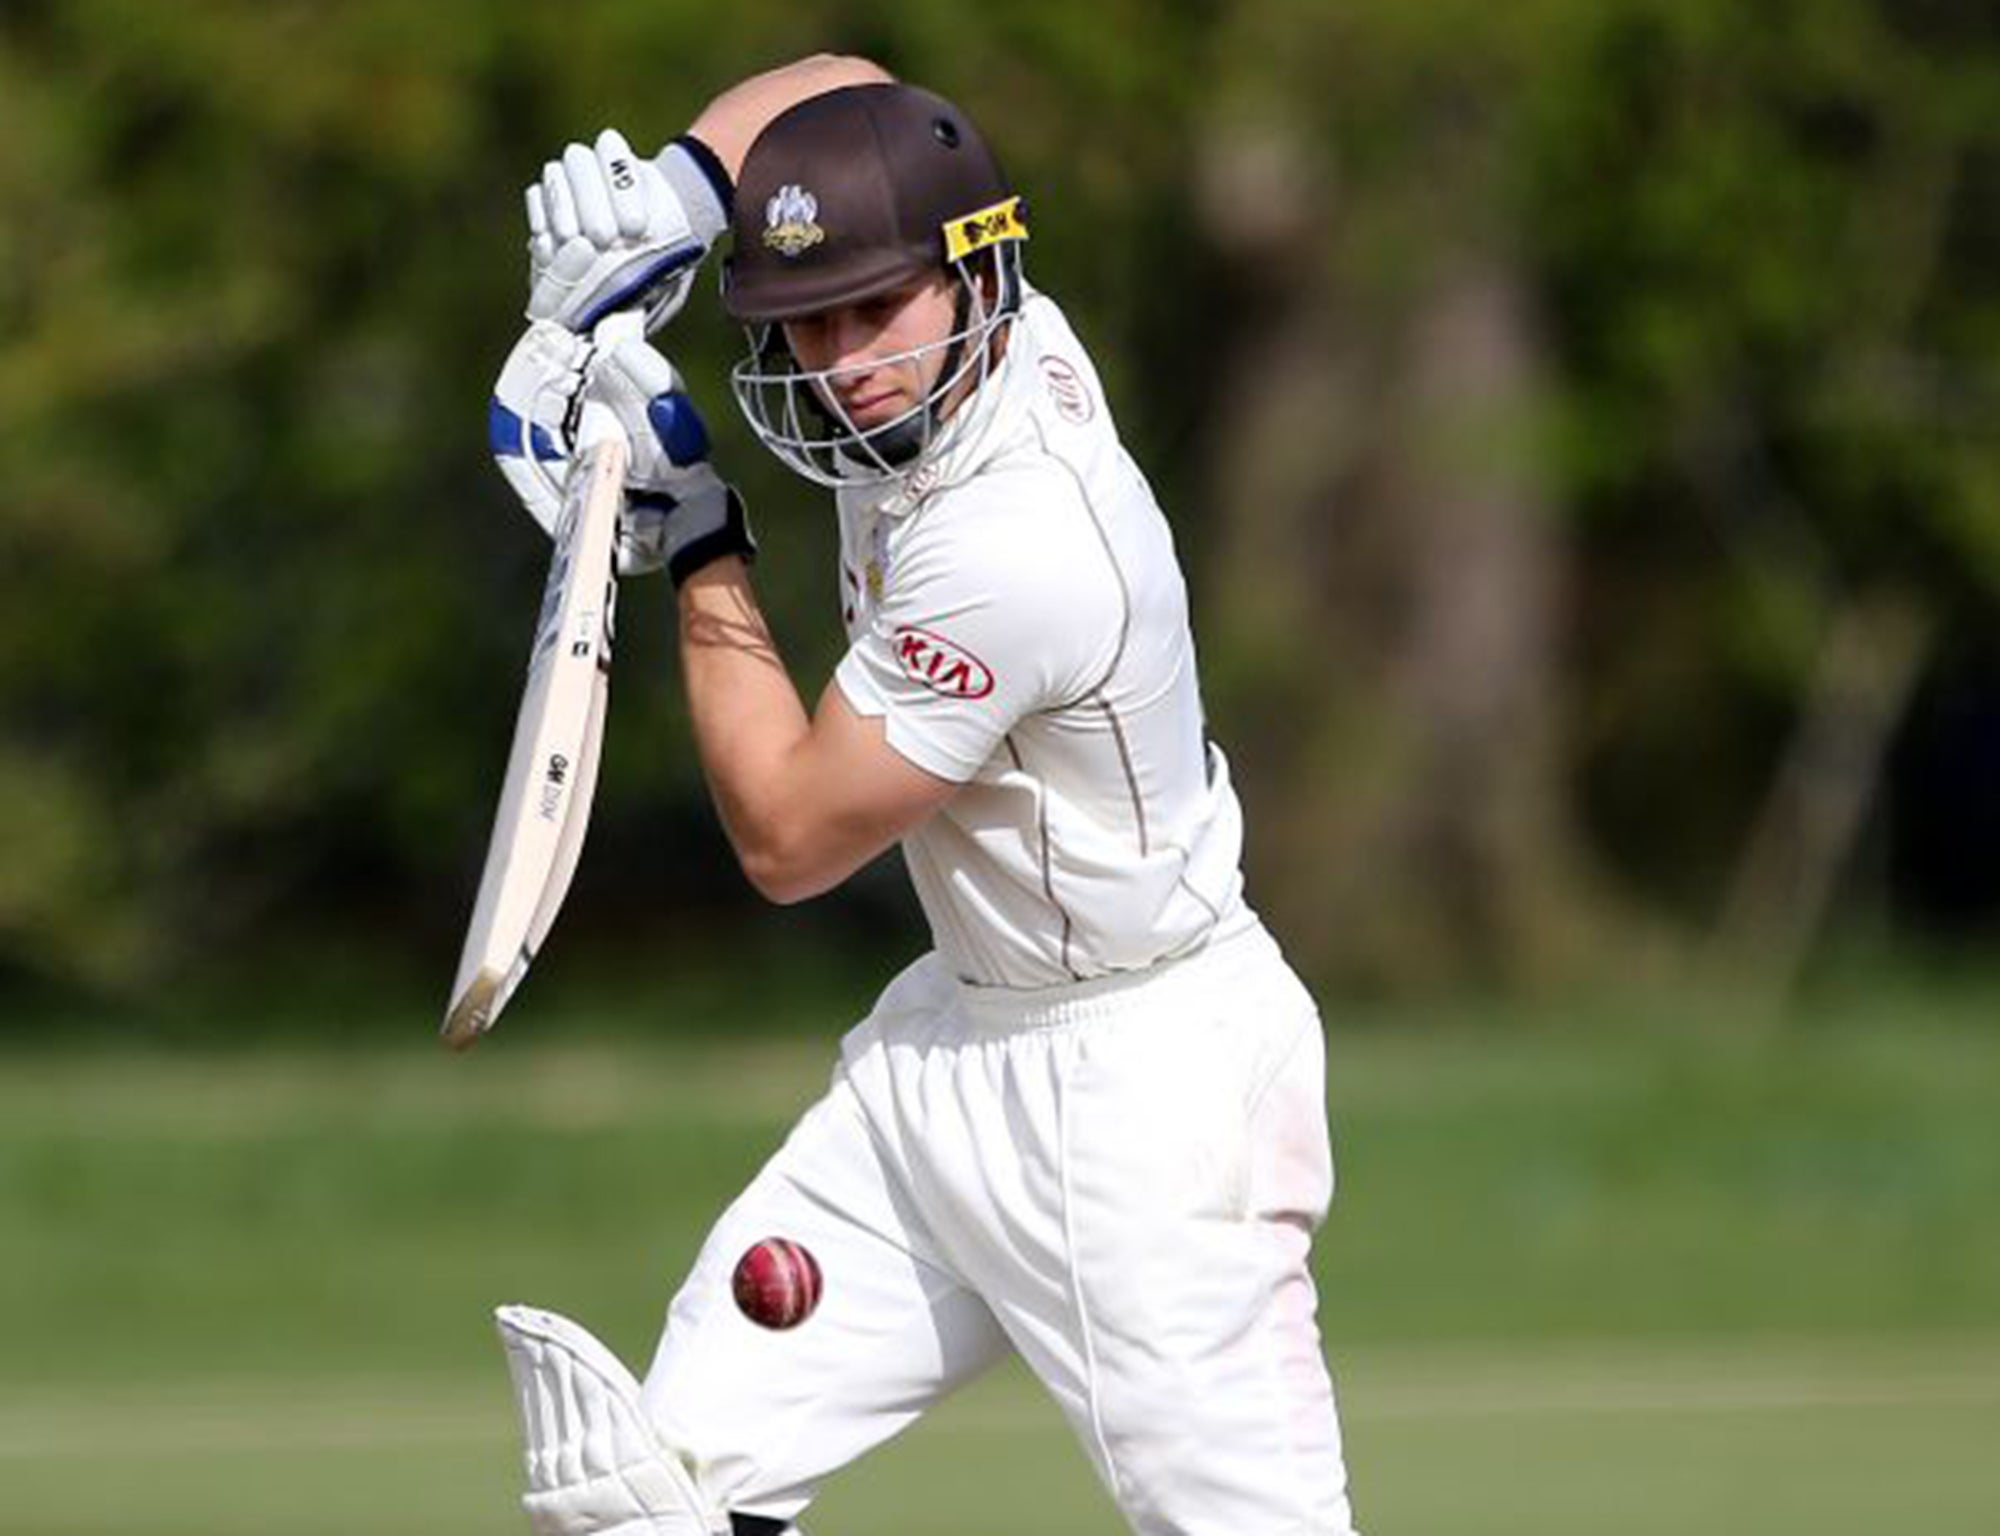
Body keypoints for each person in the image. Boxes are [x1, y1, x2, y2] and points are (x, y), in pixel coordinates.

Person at [485, 54, 1361, 1536]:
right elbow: (845, 86)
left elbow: (786, 836)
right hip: (950, 1053)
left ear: (976, 274)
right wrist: (672, 211)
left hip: (1147, 1100)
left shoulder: (1022, 539)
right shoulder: (965, 319)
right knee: (648, 1496)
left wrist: (694, 531)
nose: (843, 364)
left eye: (873, 310)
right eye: (805, 322)